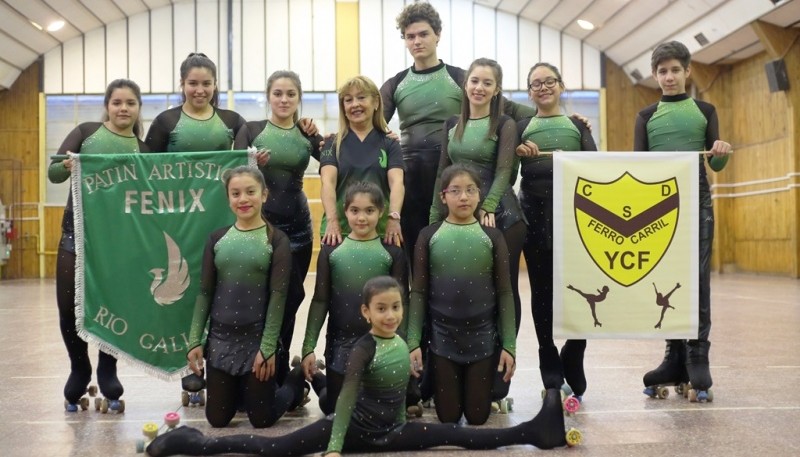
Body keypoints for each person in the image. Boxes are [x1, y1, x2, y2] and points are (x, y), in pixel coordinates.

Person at [146, 276, 572, 457]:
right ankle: (194, 443)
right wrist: (333, 446)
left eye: (396, 308)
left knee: (460, 438)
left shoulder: (402, 345)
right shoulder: (364, 349)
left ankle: (537, 432)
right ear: (366, 313)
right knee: (272, 449)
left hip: (394, 432)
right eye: (381, 310)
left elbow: (405, 391)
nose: (390, 316)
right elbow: (347, 396)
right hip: (350, 431)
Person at [634, 40, 731, 403]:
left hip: (698, 205)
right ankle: (673, 354)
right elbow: (637, 167)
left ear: (688, 72)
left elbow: (715, 164)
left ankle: (697, 354)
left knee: (698, 280)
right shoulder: (645, 116)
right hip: (660, 212)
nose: (669, 77)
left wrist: (720, 152)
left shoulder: (705, 111)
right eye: (662, 71)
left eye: (675, 70)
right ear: (655, 75)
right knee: (666, 282)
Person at [48, 79, 150, 412]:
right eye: (117, 102)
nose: (124, 108)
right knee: (68, 308)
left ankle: (108, 368)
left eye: (131, 103)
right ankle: (80, 367)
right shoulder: (85, 132)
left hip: (119, 243)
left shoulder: (144, 150)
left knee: (114, 308)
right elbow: (53, 173)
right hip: (75, 235)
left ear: (138, 109)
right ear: (107, 105)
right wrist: (64, 165)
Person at [184, 166, 304, 427]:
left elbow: (278, 297)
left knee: (261, 419)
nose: (243, 199)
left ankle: (296, 380)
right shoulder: (217, 239)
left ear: (264, 195)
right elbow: (205, 293)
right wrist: (195, 340)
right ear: (228, 198)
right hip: (221, 340)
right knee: (217, 419)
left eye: (250, 192)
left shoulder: (277, 240)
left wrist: (268, 347)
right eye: (235, 193)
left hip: (256, 340)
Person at [407, 164, 516, 425]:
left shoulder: (493, 237)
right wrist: (413, 342)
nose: (464, 197)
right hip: (443, 337)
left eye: (470, 190)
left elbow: (504, 293)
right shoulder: (428, 235)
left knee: (478, 417)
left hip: (482, 337)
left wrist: (509, 346)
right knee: (448, 417)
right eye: (455, 191)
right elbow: (419, 292)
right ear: (443, 196)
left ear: (480, 195)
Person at [233, 70, 323, 384]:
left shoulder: (307, 133)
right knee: (258, 298)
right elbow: (229, 174)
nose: (284, 100)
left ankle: (281, 368)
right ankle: (250, 368)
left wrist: (385, 136)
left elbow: (339, 163)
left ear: (299, 99)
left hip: (298, 228)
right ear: (269, 96)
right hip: (259, 227)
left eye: (290, 94)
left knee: (291, 297)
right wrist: (250, 165)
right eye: (278, 94)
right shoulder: (252, 130)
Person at [515, 62, 597, 403]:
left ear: (561, 86)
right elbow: (506, 169)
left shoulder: (578, 125)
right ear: (529, 92)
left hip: (576, 214)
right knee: (542, 288)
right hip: (533, 212)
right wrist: (517, 151)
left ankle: (575, 351)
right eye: (536, 84)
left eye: (549, 81)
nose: (543, 87)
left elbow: (596, 166)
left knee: (585, 288)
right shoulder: (520, 126)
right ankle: (548, 356)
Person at [430, 57, 527, 334]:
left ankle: (506, 352)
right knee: (470, 288)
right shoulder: (451, 124)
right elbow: (442, 174)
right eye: (475, 81)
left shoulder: (505, 123)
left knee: (504, 289)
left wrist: (488, 207)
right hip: (461, 213)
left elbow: (505, 171)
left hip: (502, 216)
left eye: (487, 83)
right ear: (465, 84)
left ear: (497, 90)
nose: (479, 88)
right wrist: (434, 217)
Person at [301, 181, 407, 414]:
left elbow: (402, 305)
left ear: (381, 212)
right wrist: (309, 347)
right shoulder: (332, 250)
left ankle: (320, 378)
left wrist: (404, 347)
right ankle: (314, 377)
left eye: (369, 211)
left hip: (381, 344)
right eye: (355, 211)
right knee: (335, 410)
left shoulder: (392, 252)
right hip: (341, 343)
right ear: (344, 211)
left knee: (376, 410)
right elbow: (320, 301)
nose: (362, 218)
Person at [319, 76, 405, 247]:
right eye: (348, 100)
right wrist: (332, 220)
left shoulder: (390, 143)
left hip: (381, 230)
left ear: (376, 103)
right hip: (339, 230)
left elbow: (397, 183)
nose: (355, 104)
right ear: (343, 108)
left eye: (361, 97)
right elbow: (327, 183)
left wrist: (393, 218)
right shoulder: (331, 143)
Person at [145, 53, 246, 153]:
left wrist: (258, 158)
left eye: (206, 83)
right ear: (182, 83)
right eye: (193, 83)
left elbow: (254, 154)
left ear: (214, 84)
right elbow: (146, 163)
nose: (200, 90)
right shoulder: (165, 121)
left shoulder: (232, 120)